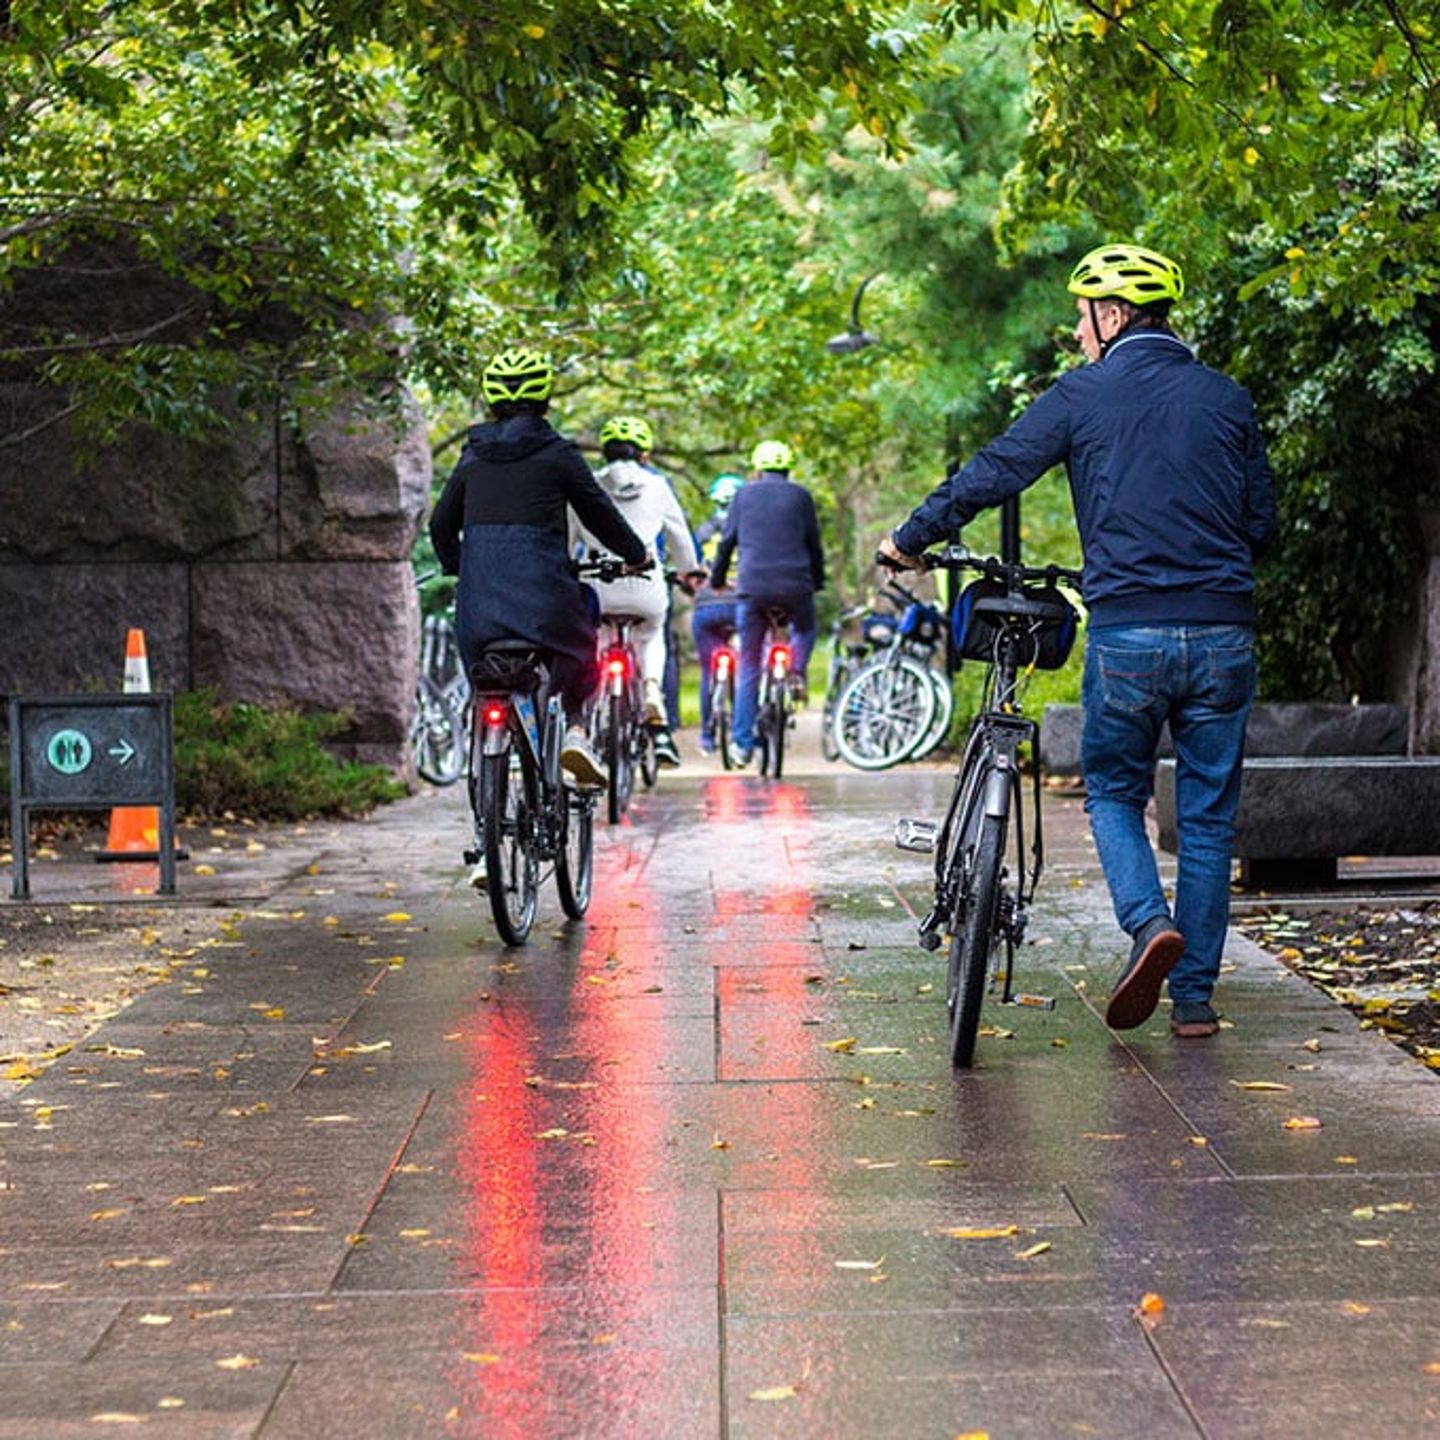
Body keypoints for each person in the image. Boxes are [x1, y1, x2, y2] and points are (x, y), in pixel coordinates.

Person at [880, 243, 1276, 1039]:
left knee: (1112, 789)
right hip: (1225, 632)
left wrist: (910, 538)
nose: (1077, 330)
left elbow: (994, 471)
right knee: (1205, 819)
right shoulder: (1228, 400)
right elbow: (1261, 528)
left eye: (1083, 315)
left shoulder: (1082, 395)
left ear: (1115, 313)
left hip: (1130, 632)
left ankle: (1146, 922)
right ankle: (1193, 998)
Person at [429, 348, 648, 811]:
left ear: (491, 400)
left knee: (485, 685)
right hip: (546, 604)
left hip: (480, 610)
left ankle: (484, 833)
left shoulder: (473, 457)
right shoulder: (558, 455)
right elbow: (600, 514)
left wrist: (460, 566)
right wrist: (636, 555)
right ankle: (573, 728)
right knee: (584, 627)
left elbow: (439, 526)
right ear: (544, 396)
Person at [571, 414, 703, 769]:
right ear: (643, 455)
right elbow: (680, 540)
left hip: (599, 586)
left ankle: (590, 708)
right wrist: (689, 570)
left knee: (596, 641)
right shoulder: (657, 486)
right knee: (651, 637)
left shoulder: (588, 486)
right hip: (647, 587)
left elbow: (568, 545)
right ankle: (651, 689)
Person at [711, 440, 825, 766]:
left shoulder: (742, 495)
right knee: (804, 629)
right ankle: (797, 672)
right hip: (796, 587)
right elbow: (813, 545)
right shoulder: (801, 496)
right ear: (787, 470)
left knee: (748, 664)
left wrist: (718, 580)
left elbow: (726, 543)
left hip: (753, 588)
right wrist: (816, 581)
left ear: (757, 469)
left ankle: (742, 744)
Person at [690, 474, 744, 754]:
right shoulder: (748, 530)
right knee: (748, 668)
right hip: (739, 606)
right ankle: (744, 732)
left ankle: (707, 737)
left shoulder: (702, 533)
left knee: (708, 671)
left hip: (706, 607)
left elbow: (690, 569)